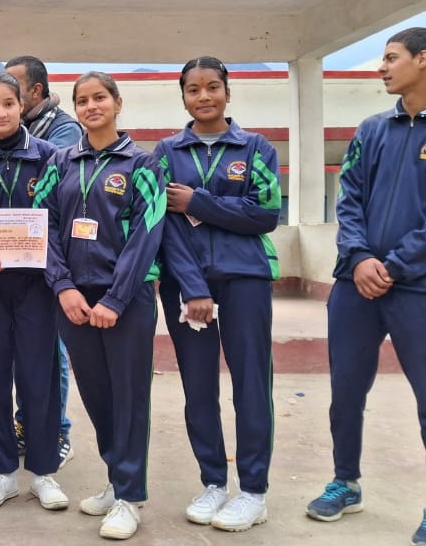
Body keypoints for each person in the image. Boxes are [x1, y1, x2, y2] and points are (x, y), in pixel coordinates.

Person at [304, 28, 426, 546]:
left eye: (390, 58)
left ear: (423, 60)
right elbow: (349, 198)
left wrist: (395, 267)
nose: (381, 68)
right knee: (345, 391)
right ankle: (345, 482)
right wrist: (360, 258)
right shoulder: (371, 129)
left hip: (418, 288)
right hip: (354, 285)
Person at [33, 71, 166, 541]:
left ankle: (130, 497)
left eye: (100, 98)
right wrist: (63, 287)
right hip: (73, 300)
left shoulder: (143, 164)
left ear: (117, 103)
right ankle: (117, 478)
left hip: (125, 301)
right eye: (83, 100)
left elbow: (147, 234)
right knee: (97, 395)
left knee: (129, 398)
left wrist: (116, 298)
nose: (92, 107)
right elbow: (44, 225)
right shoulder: (61, 162)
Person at [155, 57, 281, 532]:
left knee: (252, 385)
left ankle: (253, 492)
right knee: (199, 386)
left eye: (212, 87)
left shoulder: (256, 147)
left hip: (246, 277)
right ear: (183, 96)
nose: (204, 96)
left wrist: (198, 202)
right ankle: (213, 482)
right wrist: (193, 287)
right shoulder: (166, 152)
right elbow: (164, 225)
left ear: (228, 91)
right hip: (187, 287)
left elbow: (265, 213)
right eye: (193, 89)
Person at [0, 72, 69, 512]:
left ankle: (43, 473)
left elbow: (55, 217)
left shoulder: (48, 155)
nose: (0, 113)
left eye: (8, 104)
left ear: (22, 106)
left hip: (37, 286)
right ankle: (1, 472)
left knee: (40, 379)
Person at [4, 54, 82, 463]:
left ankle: (57, 431)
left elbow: (54, 192)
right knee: (25, 353)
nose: (5, 98)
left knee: (53, 352)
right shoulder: (15, 127)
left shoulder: (63, 131)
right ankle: (27, 424)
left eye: (13, 88)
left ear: (35, 91)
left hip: (52, 255)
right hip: (14, 256)